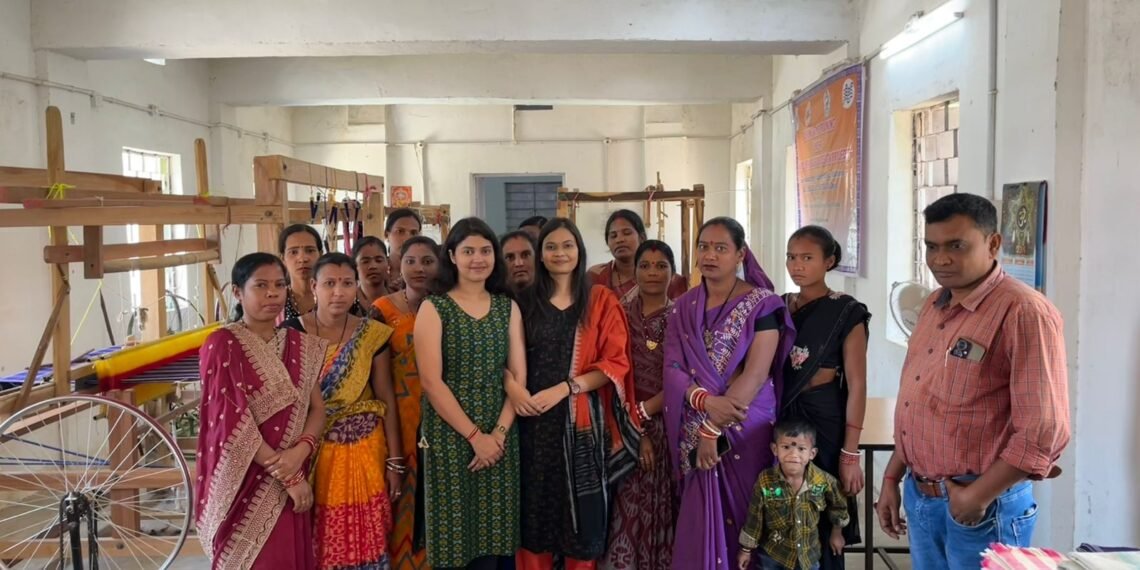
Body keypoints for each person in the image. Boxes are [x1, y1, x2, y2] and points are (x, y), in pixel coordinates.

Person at [875, 193, 1070, 569]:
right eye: (931, 246)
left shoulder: (1023, 312)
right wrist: (892, 477)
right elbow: (923, 401)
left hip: (982, 505)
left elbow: (1044, 429)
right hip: (921, 495)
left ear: (993, 243)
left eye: (956, 246)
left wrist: (977, 496)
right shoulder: (934, 305)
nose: (940, 259)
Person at [662, 216, 794, 570]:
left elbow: (756, 372)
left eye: (721, 248)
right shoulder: (684, 307)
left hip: (745, 426)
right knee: (702, 517)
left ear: (740, 255)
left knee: (748, 514)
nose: (710, 255)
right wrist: (705, 405)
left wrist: (711, 430)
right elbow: (672, 370)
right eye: (704, 246)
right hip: (697, 418)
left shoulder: (763, 305)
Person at [510, 217, 641, 570]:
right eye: (551, 246)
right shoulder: (522, 302)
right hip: (530, 426)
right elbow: (503, 359)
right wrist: (515, 390)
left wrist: (565, 389)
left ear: (579, 251)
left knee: (581, 524)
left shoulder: (600, 300)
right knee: (533, 521)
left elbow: (615, 363)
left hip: (581, 425)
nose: (559, 253)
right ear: (540, 255)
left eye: (567, 245)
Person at [195, 252, 327, 569]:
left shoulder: (301, 343)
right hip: (246, 478)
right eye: (261, 285)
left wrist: (300, 453)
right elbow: (229, 423)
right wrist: (288, 475)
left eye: (280, 285)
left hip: (293, 471)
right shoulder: (223, 344)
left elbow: (318, 408)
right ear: (238, 292)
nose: (272, 293)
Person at [414, 218, 526, 570]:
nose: (478, 259)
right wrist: (476, 437)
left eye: (485, 250)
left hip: (500, 434)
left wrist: (499, 436)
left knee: (496, 537)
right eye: (468, 251)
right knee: (454, 538)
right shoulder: (435, 308)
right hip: (450, 435)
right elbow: (432, 382)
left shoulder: (507, 307)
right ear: (452, 256)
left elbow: (518, 375)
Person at [282, 253, 403, 570]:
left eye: (348, 283)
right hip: (311, 452)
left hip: (365, 451)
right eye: (330, 283)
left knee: (369, 538)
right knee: (316, 538)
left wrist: (394, 460)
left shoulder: (371, 334)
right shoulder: (290, 333)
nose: (339, 292)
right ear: (314, 286)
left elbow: (385, 394)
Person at [780, 225, 869, 570]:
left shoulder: (846, 311)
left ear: (829, 261)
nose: (796, 265)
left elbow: (858, 385)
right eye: (791, 257)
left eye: (807, 258)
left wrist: (850, 453)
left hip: (825, 420)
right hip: (785, 417)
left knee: (825, 506)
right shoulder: (781, 305)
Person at [603, 240, 678, 570]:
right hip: (622, 425)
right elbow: (611, 370)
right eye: (645, 265)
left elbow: (682, 376)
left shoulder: (682, 317)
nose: (652, 272)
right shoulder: (617, 314)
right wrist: (633, 423)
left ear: (673, 273)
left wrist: (646, 413)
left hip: (670, 423)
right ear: (633, 272)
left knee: (668, 506)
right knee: (624, 508)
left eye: (661, 266)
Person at [373, 235, 440, 570]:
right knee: (399, 509)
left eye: (428, 261)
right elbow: (372, 376)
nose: (419, 268)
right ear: (398, 263)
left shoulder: (449, 307)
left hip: (441, 422)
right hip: (397, 422)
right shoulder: (382, 310)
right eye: (411, 260)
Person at [736, 421, 850, 570]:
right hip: (773, 555)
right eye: (786, 447)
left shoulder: (823, 481)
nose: (793, 454)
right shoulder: (765, 481)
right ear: (775, 449)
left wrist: (837, 533)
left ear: (812, 453)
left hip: (808, 557)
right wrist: (746, 550)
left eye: (801, 449)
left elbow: (838, 506)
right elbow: (754, 517)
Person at [588, 210, 688, 300]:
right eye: (613, 236)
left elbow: (681, 315)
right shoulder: (596, 276)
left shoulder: (671, 280)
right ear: (607, 242)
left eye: (627, 233)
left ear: (642, 238)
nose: (619, 239)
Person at [278, 223, 324, 323]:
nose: (302, 259)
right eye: (293, 252)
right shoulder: (275, 299)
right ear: (283, 259)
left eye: (310, 250)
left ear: (320, 255)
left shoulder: (334, 296)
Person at [386, 208, 424, 290]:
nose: (407, 238)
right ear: (386, 235)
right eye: (400, 231)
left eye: (413, 233)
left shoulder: (424, 272)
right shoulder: (378, 269)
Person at [352, 235, 391, 313]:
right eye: (365, 261)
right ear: (355, 265)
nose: (373, 266)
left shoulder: (401, 301)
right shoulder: (349, 305)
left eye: (379, 260)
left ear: (388, 262)